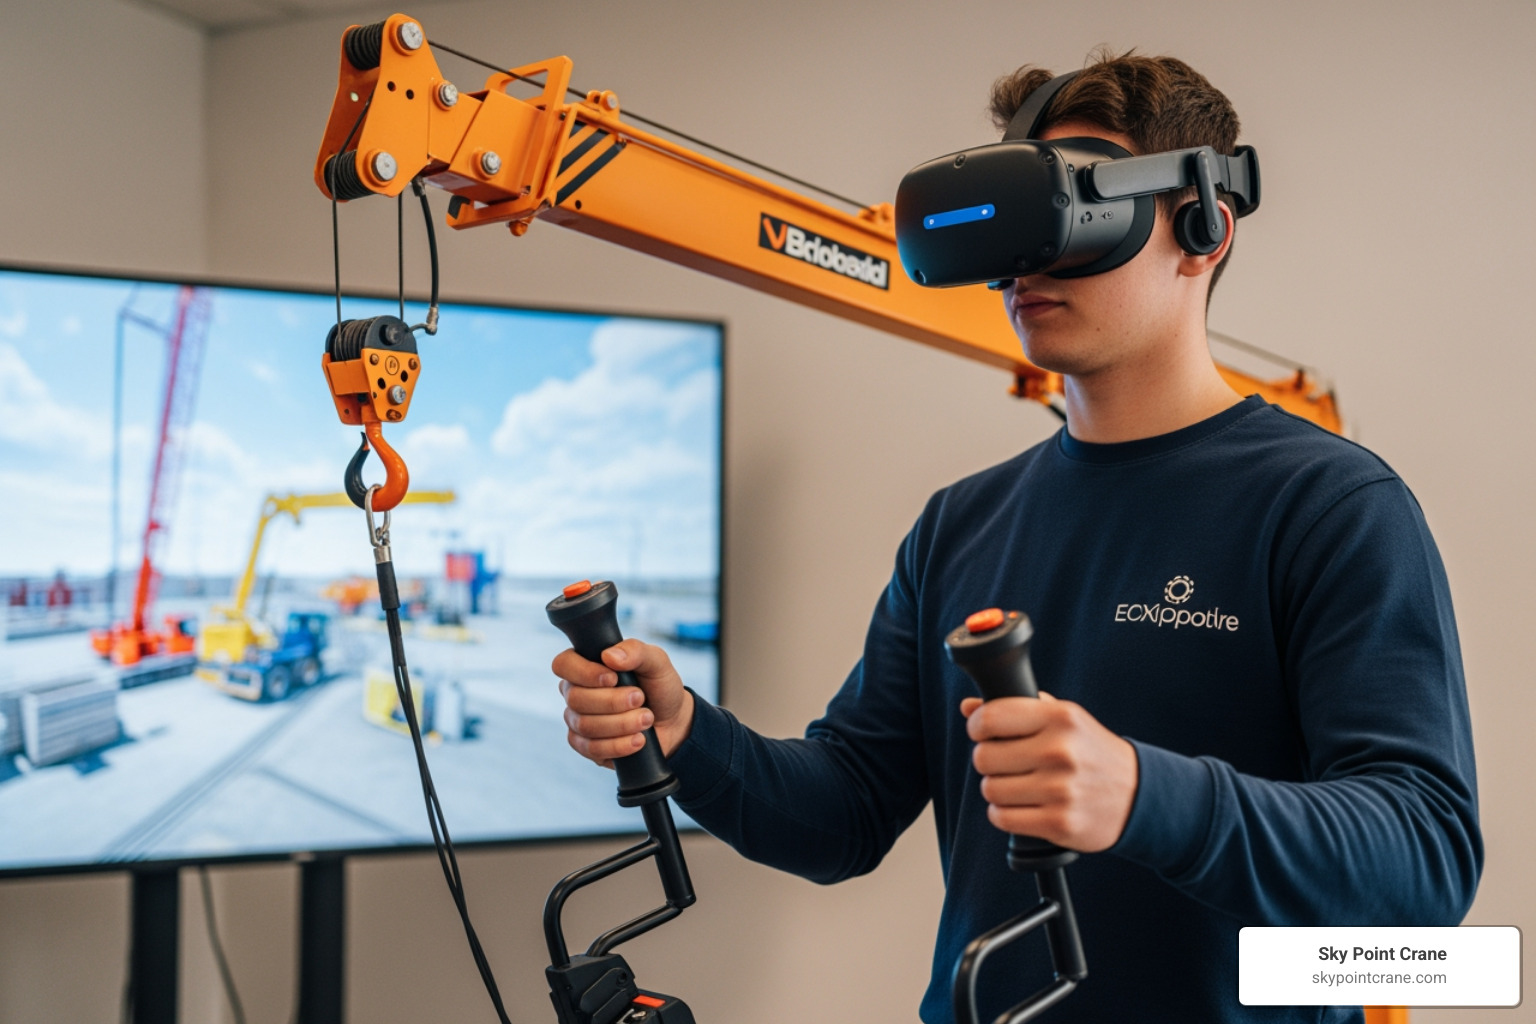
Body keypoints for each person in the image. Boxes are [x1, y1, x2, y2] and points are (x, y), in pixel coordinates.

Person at [552, 52, 1482, 1023]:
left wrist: (1137, 793)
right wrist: (687, 736)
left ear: (1203, 228)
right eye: (1014, 221)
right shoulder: (961, 524)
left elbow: (1425, 856)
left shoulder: (1329, 506)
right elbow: (844, 812)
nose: (1027, 262)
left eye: (1073, 212)